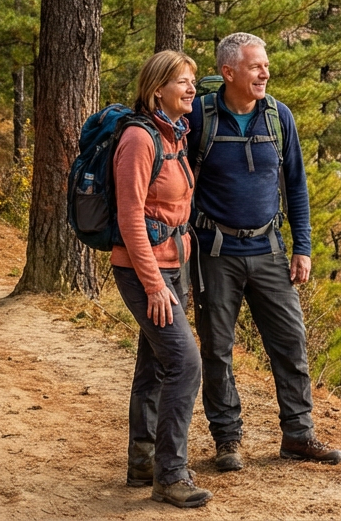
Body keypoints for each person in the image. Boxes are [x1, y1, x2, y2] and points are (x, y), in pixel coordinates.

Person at [187, 32, 341, 472]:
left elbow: (296, 184)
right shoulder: (200, 117)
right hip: (214, 251)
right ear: (229, 72)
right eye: (256, 66)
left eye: (267, 65)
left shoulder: (280, 117)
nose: (266, 73)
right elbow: (179, 185)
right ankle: (227, 440)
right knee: (218, 349)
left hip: (271, 249)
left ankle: (298, 434)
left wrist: (304, 247)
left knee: (291, 342)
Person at [111, 50, 210, 508]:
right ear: (157, 92)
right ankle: (170, 475)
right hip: (143, 269)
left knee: (155, 363)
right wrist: (154, 284)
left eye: (192, 81)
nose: (192, 88)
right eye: (182, 82)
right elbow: (130, 217)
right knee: (186, 362)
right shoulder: (139, 138)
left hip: (174, 264)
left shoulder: (175, 135)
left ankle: (142, 461)